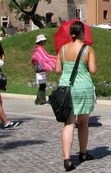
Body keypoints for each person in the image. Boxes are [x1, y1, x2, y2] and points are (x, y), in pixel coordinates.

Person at [55, 21, 97, 171]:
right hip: (83, 87)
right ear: (83, 33)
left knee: (69, 124)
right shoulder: (88, 49)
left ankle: (67, 160)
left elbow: (57, 70)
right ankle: (83, 153)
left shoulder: (63, 49)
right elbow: (92, 70)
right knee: (83, 123)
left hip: (66, 88)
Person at [31, 34, 57, 105]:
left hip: (39, 68)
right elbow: (43, 58)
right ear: (41, 41)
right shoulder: (40, 49)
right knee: (43, 84)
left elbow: (43, 57)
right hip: (40, 69)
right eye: (44, 41)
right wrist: (55, 59)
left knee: (42, 84)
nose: (45, 42)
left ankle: (38, 100)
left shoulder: (38, 48)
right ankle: (42, 100)